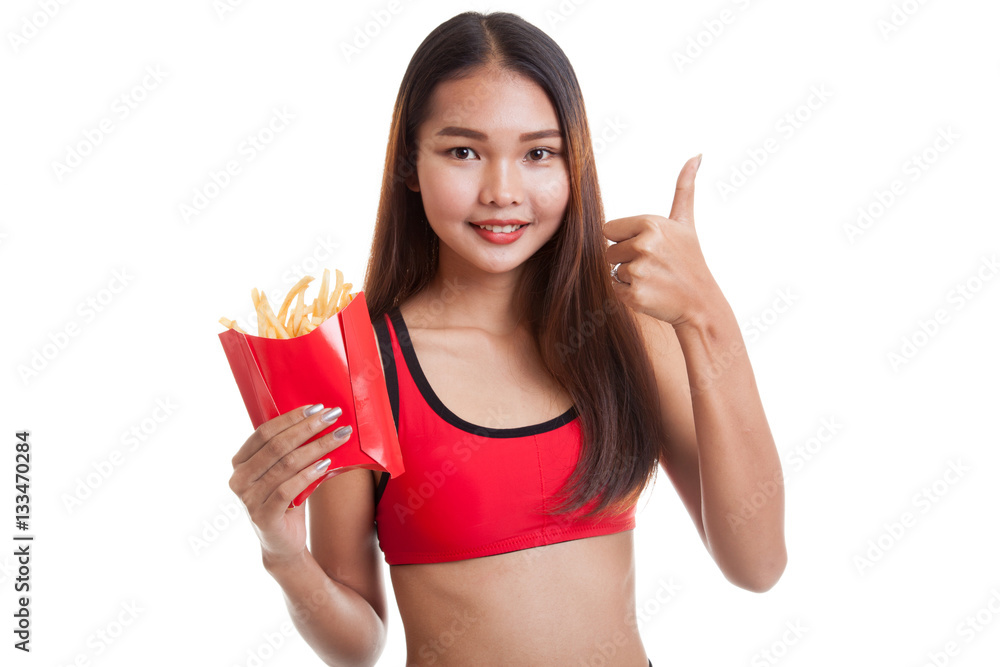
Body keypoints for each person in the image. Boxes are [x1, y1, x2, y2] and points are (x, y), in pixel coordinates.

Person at [228, 10, 786, 666]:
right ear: (410, 164)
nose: (502, 192)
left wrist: (707, 315)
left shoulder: (629, 331)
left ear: (575, 164)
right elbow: (358, 645)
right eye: (463, 151)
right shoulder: (362, 366)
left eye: (538, 153)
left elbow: (758, 564)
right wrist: (283, 553)